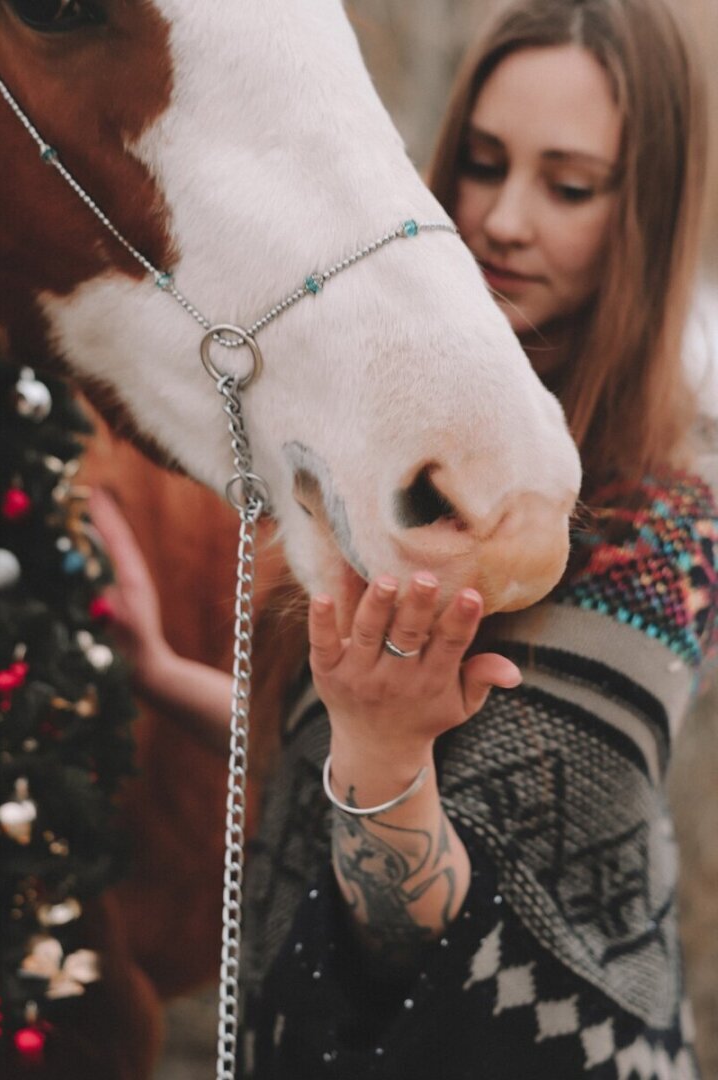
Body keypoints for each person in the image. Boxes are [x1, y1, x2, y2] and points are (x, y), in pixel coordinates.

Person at [91, 0, 718, 1075]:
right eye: (481, 163)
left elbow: (445, 945)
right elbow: (317, 766)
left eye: (568, 186)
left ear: (649, 214)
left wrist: (384, 751)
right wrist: (157, 671)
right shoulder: (407, 463)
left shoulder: (663, 528)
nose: (507, 218)